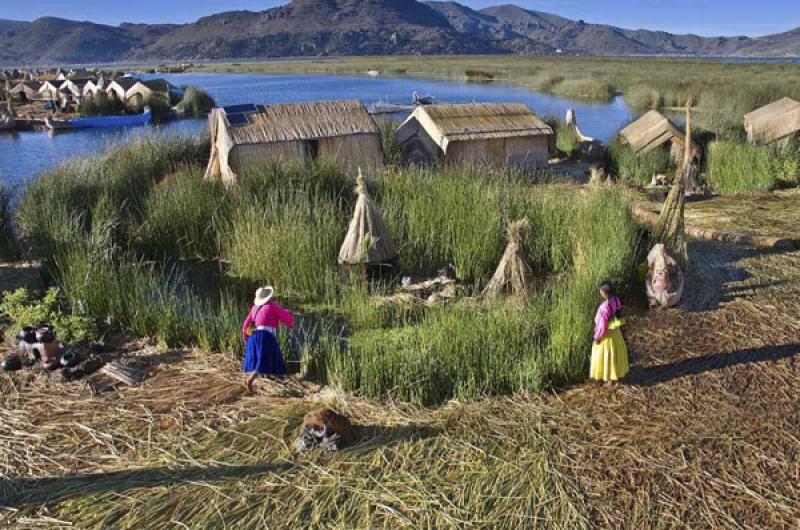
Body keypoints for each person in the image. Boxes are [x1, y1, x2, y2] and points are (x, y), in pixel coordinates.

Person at [241, 286, 294, 394]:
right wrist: (292, 323)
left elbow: (246, 324)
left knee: (263, 358)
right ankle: (249, 381)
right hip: (265, 337)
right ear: (269, 297)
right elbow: (285, 317)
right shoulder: (272, 306)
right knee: (264, 360)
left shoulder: (254, 308)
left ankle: (267, 376)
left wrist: (245, 337)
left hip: (254, 335)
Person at [590, 281, 629, 385]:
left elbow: (602, 325)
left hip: (606, 338)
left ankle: (609, 380)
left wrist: (597, 338)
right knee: (615, 356)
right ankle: (616, 377)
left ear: (605, 292)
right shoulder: (616, 300)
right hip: (616, 334)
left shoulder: (604, 307)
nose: (600, 292)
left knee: (606, 357)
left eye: (601, 290)